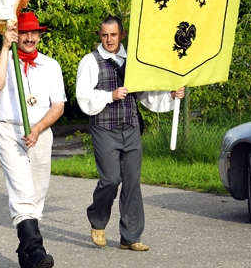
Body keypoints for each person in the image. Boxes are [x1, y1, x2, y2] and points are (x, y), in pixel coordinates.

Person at [75, 16, 185, 252]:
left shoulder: (133, 62)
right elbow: (83, 96)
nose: (109, 39)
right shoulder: (90, 61)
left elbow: (146, 94)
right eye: (104, 35)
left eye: (113, 35)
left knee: (133, 181)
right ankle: (98, 220)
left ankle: (130, 236)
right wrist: (109, 95)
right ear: (100, 35)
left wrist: (171, 96)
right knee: (111, 179)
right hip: (104, 128)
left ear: (122, 35)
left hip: (131, 127)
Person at [0, 12, 66, 268]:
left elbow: (58, 105)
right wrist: (5, 47)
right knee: (22, 191)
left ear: (40, 36)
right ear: (16, 34)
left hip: (40, 132)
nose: (29, 38)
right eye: (24, 33)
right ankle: (36, 250)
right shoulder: (4, 60)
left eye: (34, 33)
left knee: (37, 193)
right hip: (10, 131)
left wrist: (39, 128)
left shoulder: (50, 65)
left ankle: (24, 253)